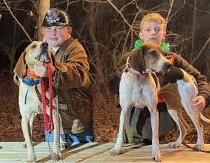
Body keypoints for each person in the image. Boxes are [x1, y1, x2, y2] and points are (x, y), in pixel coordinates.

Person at [110, 12, 210, 145]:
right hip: (134, 129)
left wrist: (204, 96)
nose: (153, 33)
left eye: (157, 30)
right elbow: (111, 84)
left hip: (164, 129)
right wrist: (131, 68)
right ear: (141, 35)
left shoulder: (172, 59)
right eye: (148, 29)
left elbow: (199, 78)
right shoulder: (129, 58)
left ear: (164, 35)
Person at [14, 8, 94, 145]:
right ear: (44, 31)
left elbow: (79, 73)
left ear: (69, 30)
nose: (53, 33)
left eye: (58, 28)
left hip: (74, 124)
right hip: (52, 122)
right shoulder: (41, 48)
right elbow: (24, 66)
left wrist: (54, 72)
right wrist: (22, 76)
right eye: (49, 28)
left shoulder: (75, 49)